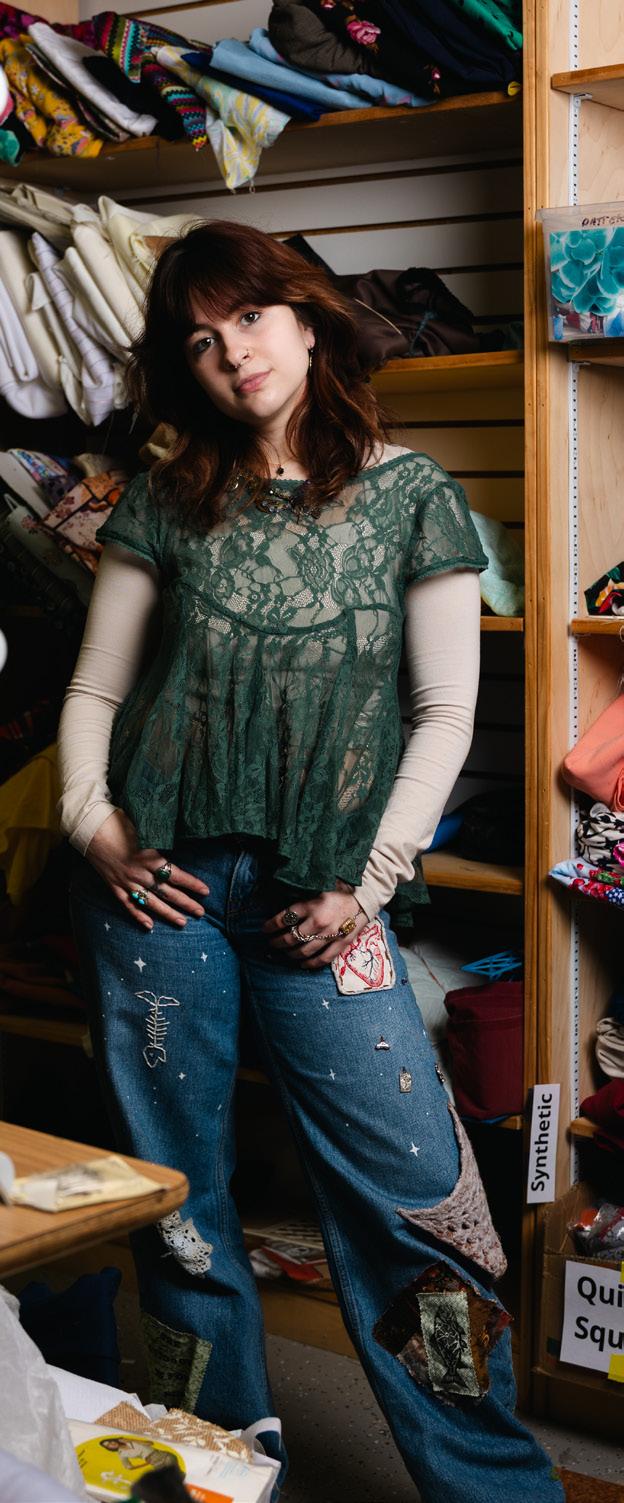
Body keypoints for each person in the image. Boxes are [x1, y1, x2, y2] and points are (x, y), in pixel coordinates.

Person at [59, 220, 564, 1503]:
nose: (233, 352)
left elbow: (444, 715)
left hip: (328, 904)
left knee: (421, 1211)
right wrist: (93, 826)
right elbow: (95, 692)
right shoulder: (165, 499)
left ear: (306, 318)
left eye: (250, 317)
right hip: (156, 900)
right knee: (177, 1212)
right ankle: (222, 1479)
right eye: (200, 339)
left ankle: (496, 1489)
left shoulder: (412, 495)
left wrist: (370, 885)